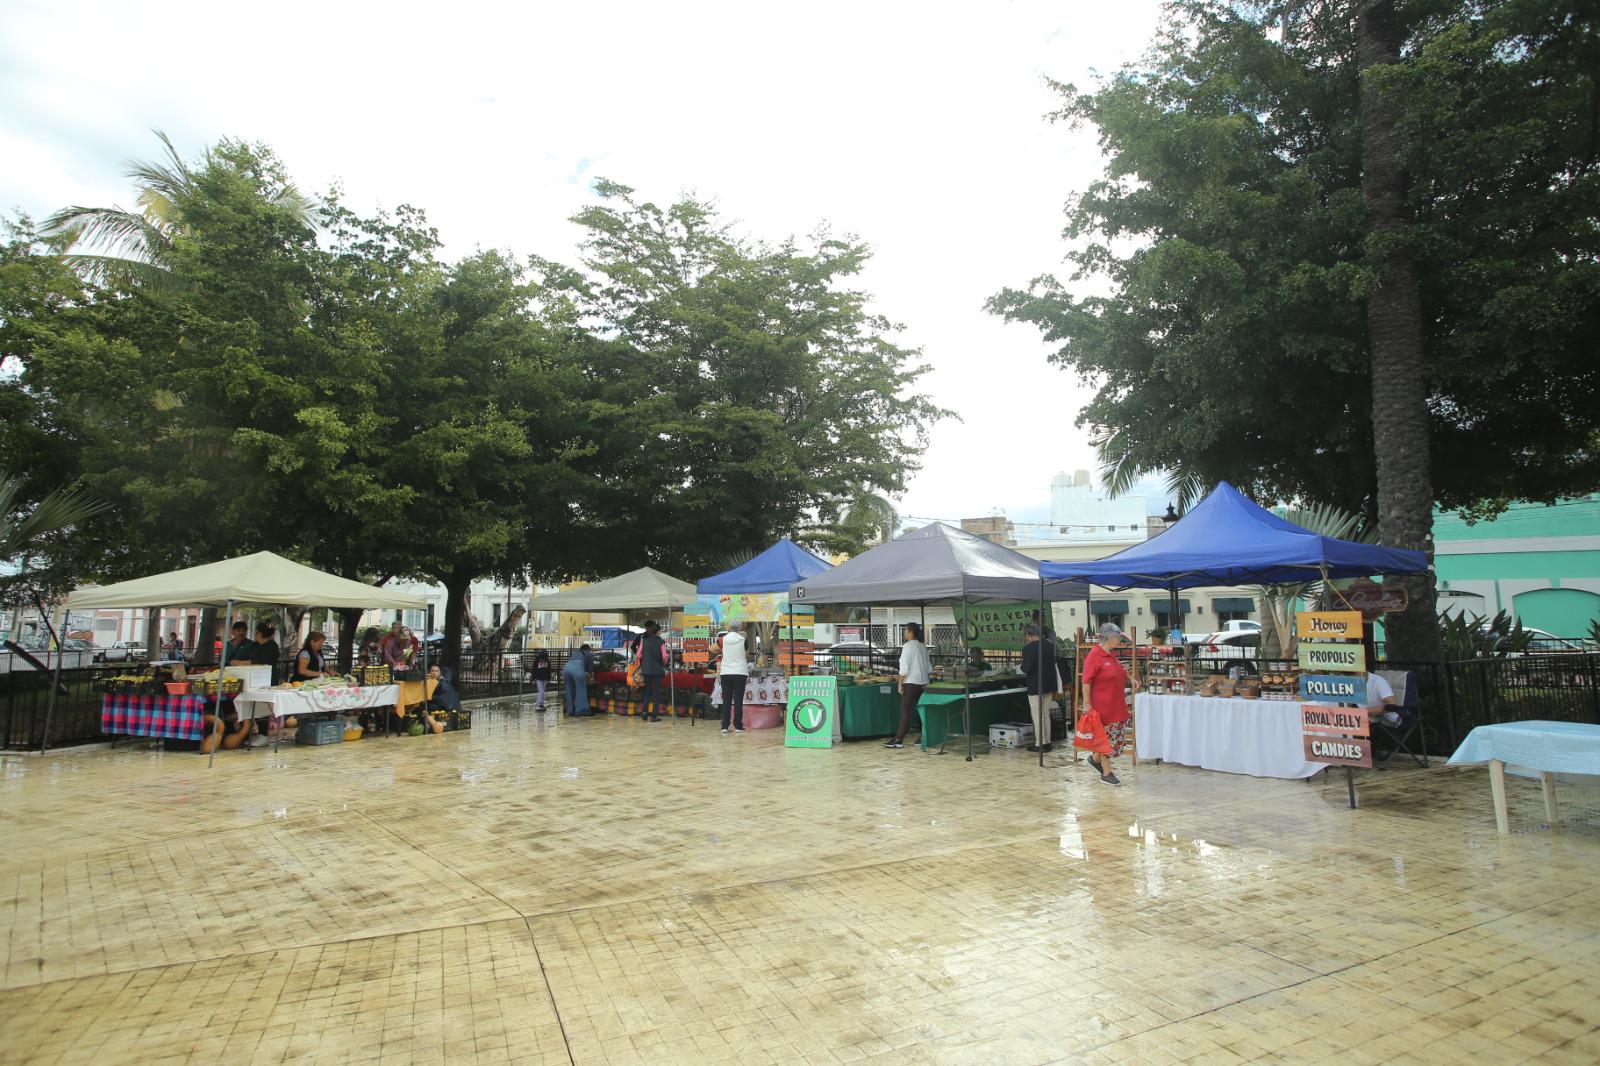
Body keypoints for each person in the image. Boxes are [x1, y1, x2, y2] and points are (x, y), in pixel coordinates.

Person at [1080, 622, 1130, 785]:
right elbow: (1086, 681)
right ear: (1109, 637)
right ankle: (1106, 773)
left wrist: (1131, 679)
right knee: (1106, 740)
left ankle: (1095, 759)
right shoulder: (1094, 656)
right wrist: (1087, 703)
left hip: (1116, 705)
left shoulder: (1111, 655)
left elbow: (1118, 673)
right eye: (1118, 637)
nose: (1120, 641)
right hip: (1103, 708)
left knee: (1113, 739)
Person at [885, 623, 931, 750]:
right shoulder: (923, 646)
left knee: (905, 712)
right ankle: (923, 737)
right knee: (922, 711)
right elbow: (929, 667)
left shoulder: (907, 647)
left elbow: (904, 667)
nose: (904, 633)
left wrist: (900, 683)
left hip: (910, 683)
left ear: (911, 632)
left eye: (905, 631)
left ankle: (898, 739)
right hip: (924, 682)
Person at [1021, 622, 1058, 753]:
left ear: (1029, 635)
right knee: (1045, 713)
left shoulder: (1028, 649)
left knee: (1037, 715)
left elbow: (1027, 668)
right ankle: (1047, 742)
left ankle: (1039, 743)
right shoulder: (1049, 645)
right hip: (1049, 684)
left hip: (1036, 685)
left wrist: (1021, 666)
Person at [717, 622, 749, 734]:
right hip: (740, 672)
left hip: (726, 672)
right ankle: (738, 726)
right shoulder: (743, 640)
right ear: (739, 628)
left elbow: (712, 649)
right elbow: (746, 653)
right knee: (738, 700)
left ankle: (724, 726)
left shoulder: (722, 640)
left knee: (726, 700)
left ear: (729, 628)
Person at [635, 620, 669, 722]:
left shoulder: (643, 641)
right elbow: (664, 656)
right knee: (656, 694)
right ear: (657, 632)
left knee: (647, 692)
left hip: (646, 670)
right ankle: (654, 716)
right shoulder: (660, 642)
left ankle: (644, 712)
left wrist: (645, 658)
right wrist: (664, 662)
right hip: (657, 671)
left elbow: (638, 654)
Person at [563, 644, 594, 716]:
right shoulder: (589, 654)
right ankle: (581, 710)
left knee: (569, 689)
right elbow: (590, 671)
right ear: (588, 650)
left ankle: (570, 711)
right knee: (581, 688)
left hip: (566, 667)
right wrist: (589, 681)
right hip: (577, 667)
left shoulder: (575, 653)